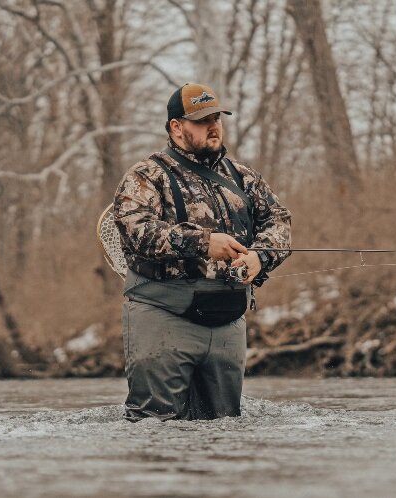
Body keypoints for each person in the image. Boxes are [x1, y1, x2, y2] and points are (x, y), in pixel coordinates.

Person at [113, 83, 291, 421]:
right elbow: (135, 230)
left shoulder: (243, 176)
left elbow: (279, 221)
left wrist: (261, 256)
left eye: (217, 119)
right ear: (176, 127)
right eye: (202, 120)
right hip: (162, 315)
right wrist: (204, 242)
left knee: (224, 424)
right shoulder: (146, 175)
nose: (214, 126)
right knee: (154, 426)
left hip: (227, 321)